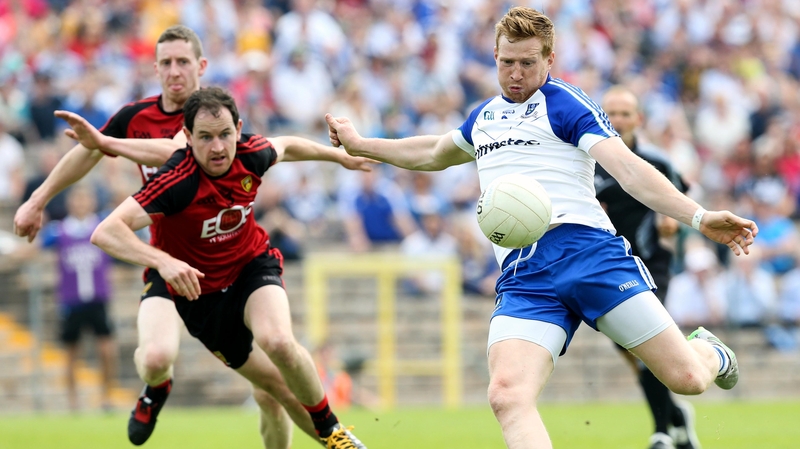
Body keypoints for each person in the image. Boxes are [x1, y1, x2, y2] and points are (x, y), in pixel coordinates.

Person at [325, 7, 757, 449]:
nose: (516, 73)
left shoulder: (566, 104)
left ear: (549, 60)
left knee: (686, 378)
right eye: (507, 61)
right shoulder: (484, 117)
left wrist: (699, 218)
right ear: (494, 55)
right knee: (507, 395)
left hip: (588, 254)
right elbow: (434, 152)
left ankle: (711, 352)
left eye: (528, 63)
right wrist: (363, 145)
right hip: (524, 273)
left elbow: (628, 169)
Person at [12, 25, 307, 449]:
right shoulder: (137, 118)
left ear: (201, 66)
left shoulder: (217, 122)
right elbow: (89, 150)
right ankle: (156, 388)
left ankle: (324, 434)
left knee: (273, 389)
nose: (174, 71)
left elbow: (170, 151)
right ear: (155, 68)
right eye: (165, 63)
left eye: (183, 62)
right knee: (154, 358)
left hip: (233, 267)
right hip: (169, 260)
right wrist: (38, 199)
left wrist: (109, 142)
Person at [91, 86, 370, 449]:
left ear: (238, 129)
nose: (218, 147)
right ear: (188, 138)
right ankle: (155, 387)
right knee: (273, 388)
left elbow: (286, 145)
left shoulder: (251, 153)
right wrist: (164, 261)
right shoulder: (177, 181)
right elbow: (106, 231)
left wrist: (339, 158)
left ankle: (333, 432)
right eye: (205, 138)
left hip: (250, 266)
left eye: (225, 134)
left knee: (279, 342)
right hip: (203, 298)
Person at [595, 85, 698, 449]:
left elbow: (680, 203)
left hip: (651, 263)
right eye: (612, 113)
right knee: (636, 353)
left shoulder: (658, 161)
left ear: (639, 119)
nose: (619, 120)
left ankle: (661, 433)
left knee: (647, 342)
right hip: (606, 270)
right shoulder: (585, 162)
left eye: (626, 113)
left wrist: (670, 223)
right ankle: (677, 416)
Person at [40, 184, 117, 412]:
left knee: (106, 349)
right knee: (71, 351)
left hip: (98, 298)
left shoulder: (103, 225)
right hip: (71, 300)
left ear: (93, 202)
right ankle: (73, 401)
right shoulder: (59, 231)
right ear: (69, 203)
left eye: (85, 199)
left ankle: (106, 396)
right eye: (77, 199)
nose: (81, 204)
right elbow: (35, 247)